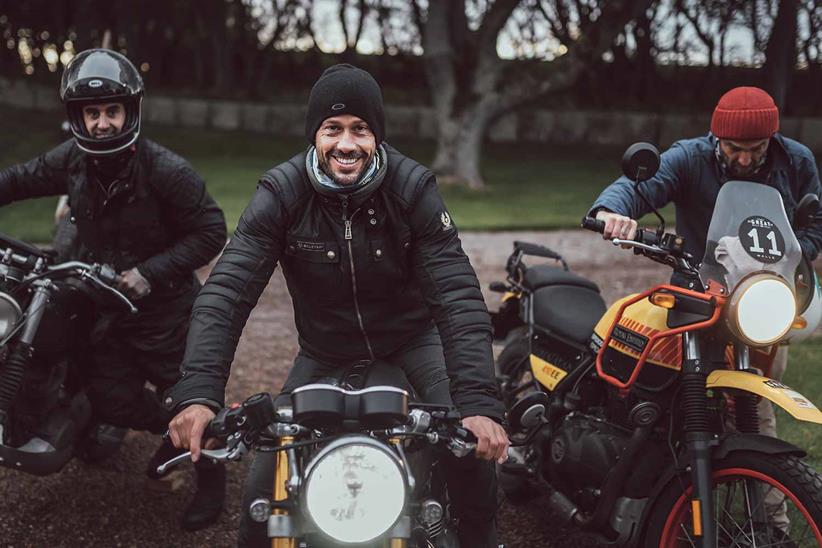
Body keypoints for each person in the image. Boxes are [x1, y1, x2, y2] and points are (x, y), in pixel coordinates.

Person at [165, 64, 509, 547]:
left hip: (412, 339)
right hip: (324, 350)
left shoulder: (413, 189)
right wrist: (198, 392)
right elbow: (225, 293)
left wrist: (478, 404)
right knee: (264, 491)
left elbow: (456, 294)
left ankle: (480, 536)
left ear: (377, 136)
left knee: (468, 452)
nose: (346, 144)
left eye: (360, 129)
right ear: (315, 135)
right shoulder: (281, 193)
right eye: (333, 129)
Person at [0, 49, 228, 530]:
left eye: (111, 111)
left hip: (166, 311)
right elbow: (18, 180)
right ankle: (170, 434)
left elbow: (211, 231)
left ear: (129, 112)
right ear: (78, 117)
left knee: (191, 399)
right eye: (92, 113)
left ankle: (212, 486)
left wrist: (151, 271)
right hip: (108, 307)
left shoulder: (166, 170)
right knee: (110, 400)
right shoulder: (73, 161)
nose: (102, 123)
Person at [589, 85, 822, 440]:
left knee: (756, 406)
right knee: (676, 398)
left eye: (756, 149)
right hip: (700, 296)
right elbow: (638, 187)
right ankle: (671, 483)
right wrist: (611, 212)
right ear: (717, 137)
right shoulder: (689, 157)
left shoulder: (796, 160)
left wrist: (793, 253)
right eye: (734, 149)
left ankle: (765, 494)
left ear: (771, 139)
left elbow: (815, 221)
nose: (745, 159)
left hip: (761, 302)